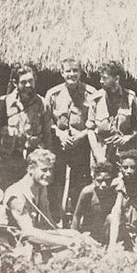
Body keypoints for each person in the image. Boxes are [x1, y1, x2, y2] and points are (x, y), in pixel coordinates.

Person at [0, 64, 52, 190]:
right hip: (6, 163)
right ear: (15, 83)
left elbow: (47, 134)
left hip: (31, 164)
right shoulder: (3, 103)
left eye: (31, 81)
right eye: (24, 82)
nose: (28, 85)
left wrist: (48, 160)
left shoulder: (42, 104)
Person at [45, 58, 96, 224]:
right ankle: (56, 219)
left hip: (81, 147)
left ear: (81, 72)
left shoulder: (91, 93)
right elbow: (46, 120)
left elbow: (95, 122)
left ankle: (76, 221)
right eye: (68, 71)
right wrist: (60, 133)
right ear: (62, 73)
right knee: (56, 181)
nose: (72, 74)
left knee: (79, 183)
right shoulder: (53, 94)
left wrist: (80, 136)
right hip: (59, 146)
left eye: (75, 71)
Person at [3, 149, 78, 248]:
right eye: (44, 170)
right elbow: (29, 232)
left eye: (50, 170)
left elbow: (49, 226)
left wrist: (73, 234)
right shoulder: (16, 194)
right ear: (30, 169)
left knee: (77, 235)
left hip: (33, 242)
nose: (49, 174)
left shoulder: (41, 187)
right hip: (14, 247)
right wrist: (66, 241)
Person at [87, 61, 137, 163]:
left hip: (124, 156)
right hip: (101, 154)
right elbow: (90, 130)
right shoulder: (95, 99)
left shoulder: (130, 98)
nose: (101, 81)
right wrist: (98, 155)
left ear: (116, 79)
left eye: (105, 78)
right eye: (101, 78)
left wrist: (129, 137)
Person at [71, 161, 122, 246]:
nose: (103, 184)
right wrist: (74, 236)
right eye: (99, 181)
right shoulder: (87, 192)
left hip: (107, 231)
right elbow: (76, 216)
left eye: (107, 181)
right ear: (93, 179)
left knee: (111, 217)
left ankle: (110, 245)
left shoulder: (115, 192)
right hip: (90, 232)